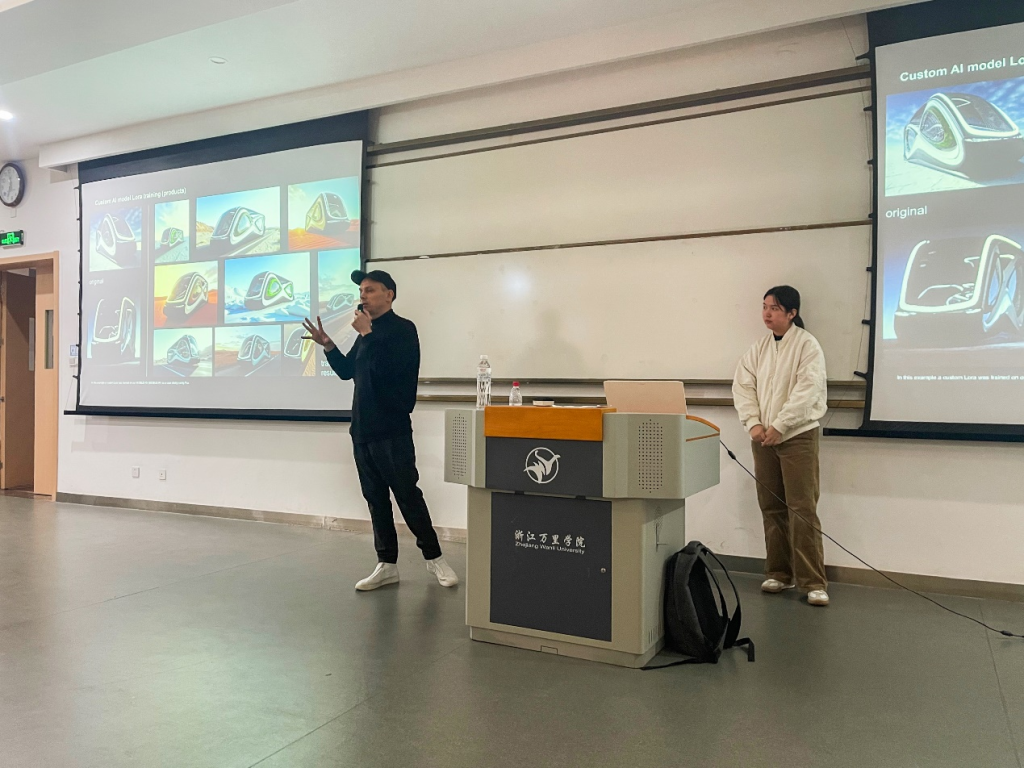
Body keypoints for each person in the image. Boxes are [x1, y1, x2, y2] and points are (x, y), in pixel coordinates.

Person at [302, 269, 458, 591]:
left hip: (392, 430)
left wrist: (369, 334)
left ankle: (435, 558)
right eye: (361, 291)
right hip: (362, 430)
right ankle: (386, 564)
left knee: (407, 495)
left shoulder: (403, 330)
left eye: (370, 290)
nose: (363, 296)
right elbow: (348, 371)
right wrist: (328, 345)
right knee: (375, 499)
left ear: (389, 294)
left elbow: (389, 374)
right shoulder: (365, 335)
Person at [732, 286, 829, 606]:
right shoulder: (758, 348)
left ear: (792, 313)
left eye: (774, 308)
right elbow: (743, 386)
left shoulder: (807, 345)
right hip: (763, 438)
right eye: (764, 307)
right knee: (771, 506)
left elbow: (808, 390)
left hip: (797, 436)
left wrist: (781, 426)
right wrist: (754, 424)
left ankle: (813, 581)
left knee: (802, 508)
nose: (767, 313)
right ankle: (779, 573)